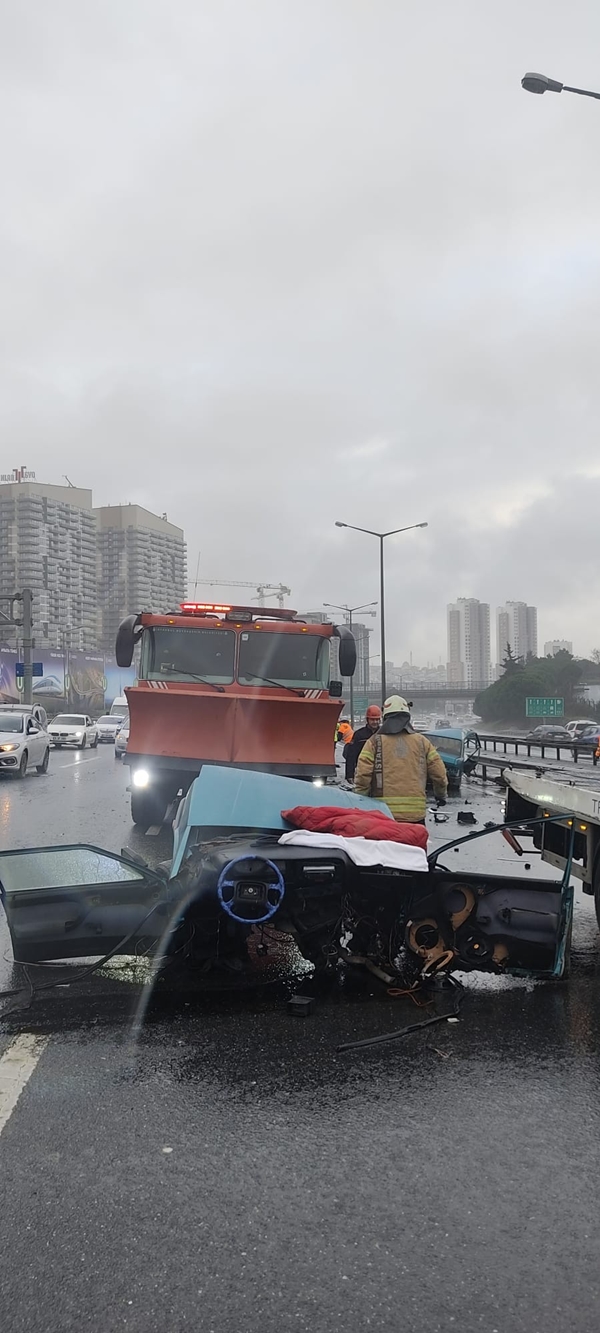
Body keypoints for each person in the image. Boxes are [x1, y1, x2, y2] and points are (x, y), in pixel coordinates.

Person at [354, 694, 448, 823]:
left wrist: (361, 800)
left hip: (383, 814)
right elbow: (439, 774)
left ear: (385, 717)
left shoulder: (374, 742)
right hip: (415, 816)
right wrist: (441, 795)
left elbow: (363, 775)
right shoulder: (422, 742)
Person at [344, 704, 382, 782]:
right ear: (367, 720)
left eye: (377, 719)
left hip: (380, 771)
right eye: (372, 720)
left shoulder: (383, 733)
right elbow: (351, 755)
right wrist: (349, 775)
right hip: (363, 770)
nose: (375, 722)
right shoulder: (359, 734)